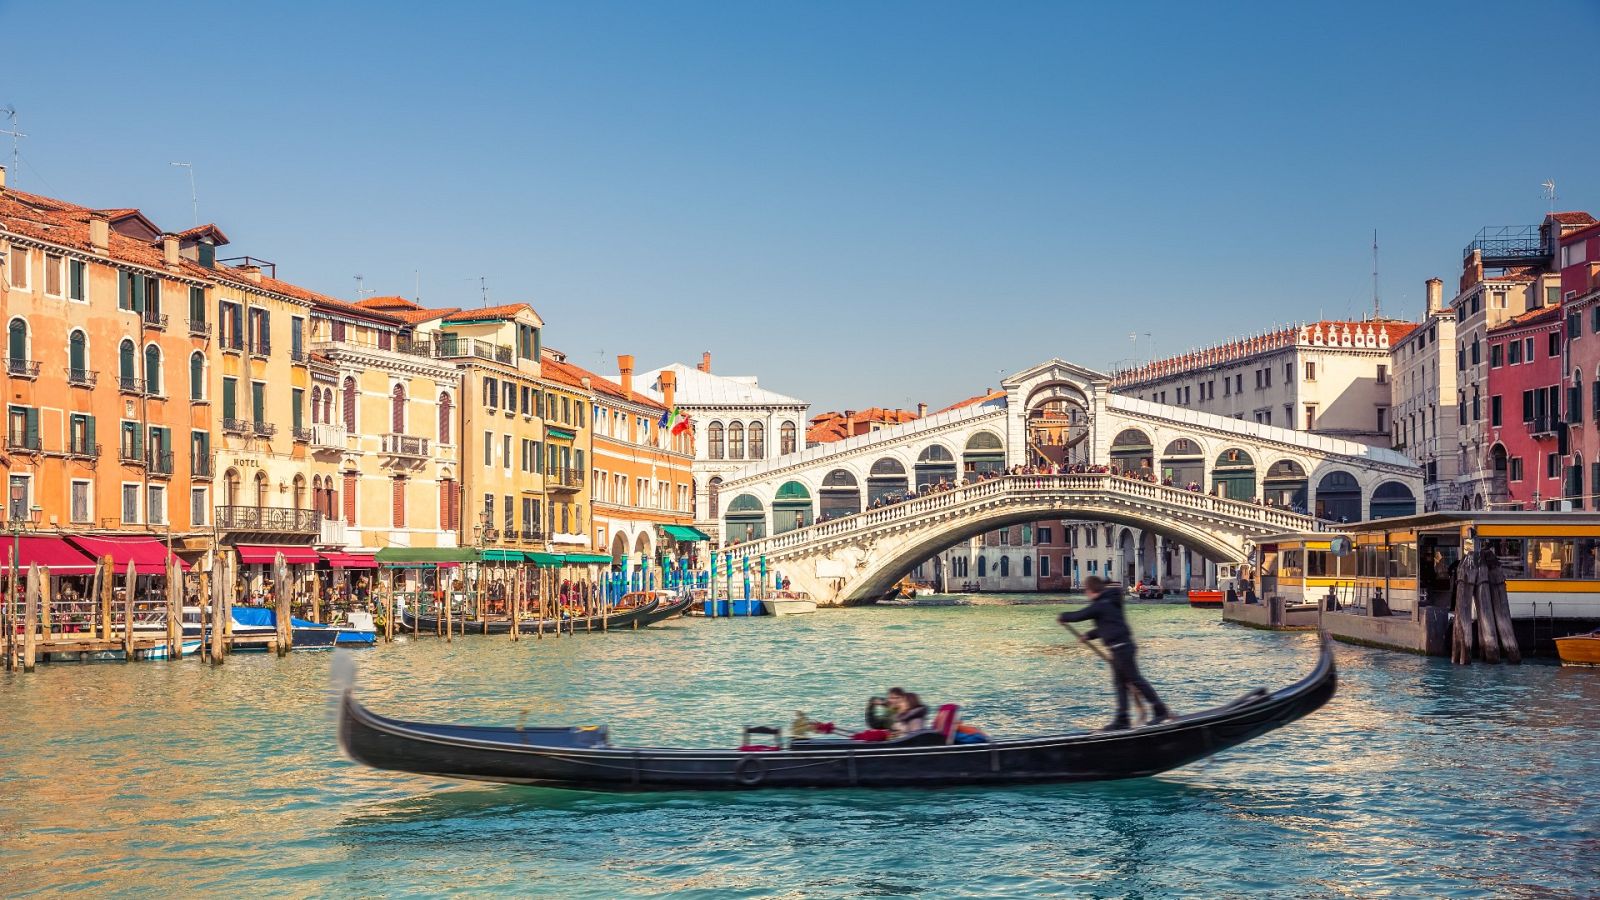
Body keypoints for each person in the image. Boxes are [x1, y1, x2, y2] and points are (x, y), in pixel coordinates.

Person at [1058, 575, 1171, 730]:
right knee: (1121, 684)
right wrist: (1089, 635)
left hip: (1122, 648)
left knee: (1135, 680)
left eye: (1086, 591)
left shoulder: (1100, 605)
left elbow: (1080, 615)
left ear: (1090, 590)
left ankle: (1160, 710)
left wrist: (1063, 617)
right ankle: (1122, 718)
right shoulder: (1109, 602)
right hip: (1121, 647)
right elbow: (1107, 626)